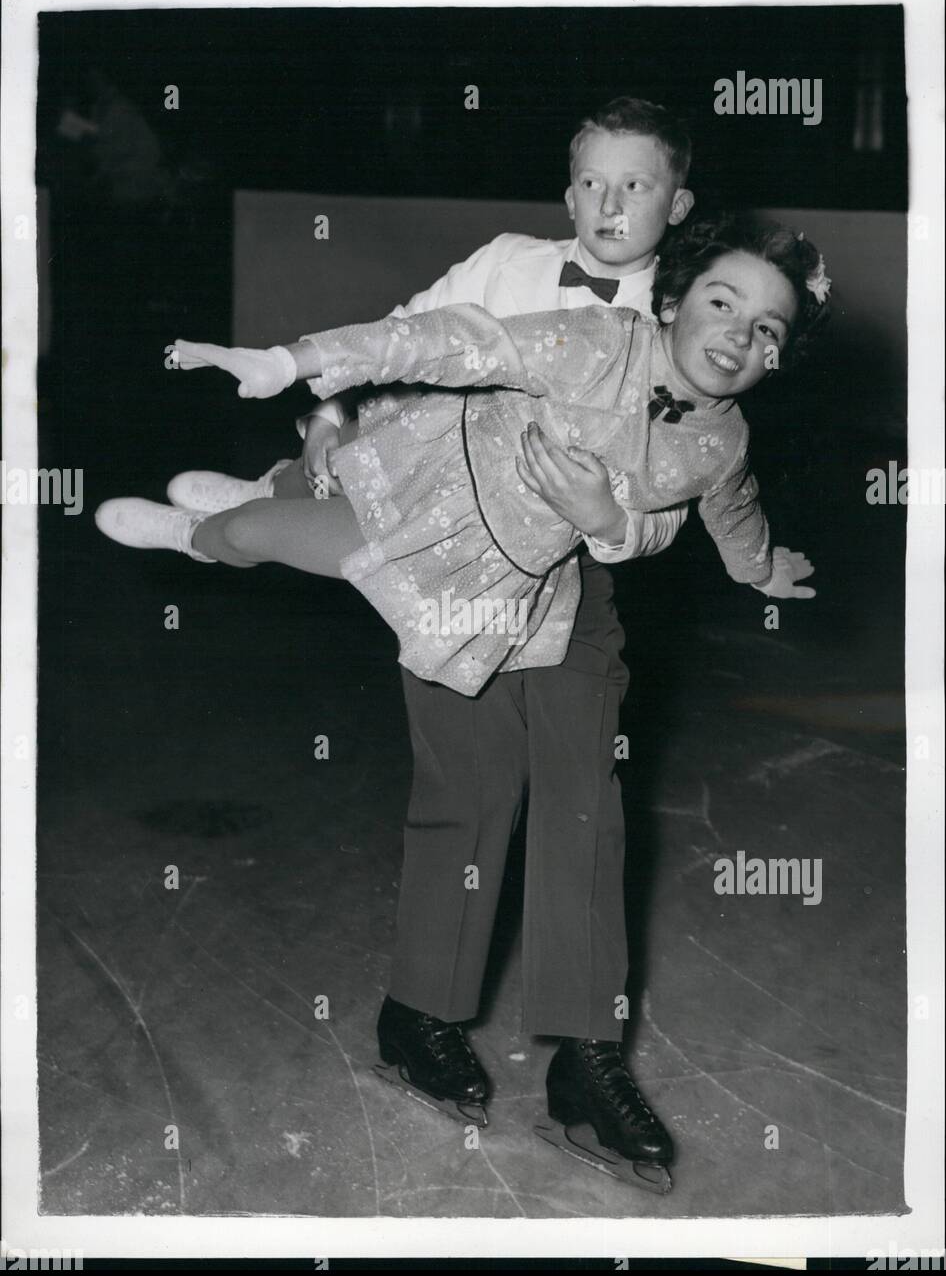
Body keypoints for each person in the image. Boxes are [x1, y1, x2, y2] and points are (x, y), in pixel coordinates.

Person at [97, 209, 829, 1186]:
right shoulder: (570, 325)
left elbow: (722, 505)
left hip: (562, 581)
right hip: (430, 522)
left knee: (586, 800)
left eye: (766, 329)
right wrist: (300, 362)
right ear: (674, 296)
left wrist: (749, 564)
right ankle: (207, 531)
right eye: (722, 302)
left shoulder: (721, 436)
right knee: (453, 764)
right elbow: (450, 338)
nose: (737, 335)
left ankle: (584, 1059)